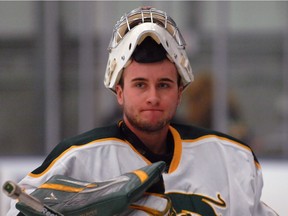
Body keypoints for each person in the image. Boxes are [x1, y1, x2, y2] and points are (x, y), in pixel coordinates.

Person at [7, 6, 277, 216]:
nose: (153, 97)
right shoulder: (78, 160)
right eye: (140, 85)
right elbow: (20, 206)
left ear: (180, 92)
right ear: (119, 92)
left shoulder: (231, 160)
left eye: (164, 84)